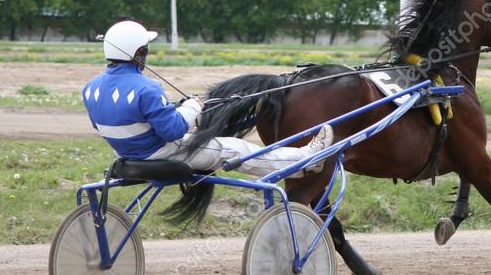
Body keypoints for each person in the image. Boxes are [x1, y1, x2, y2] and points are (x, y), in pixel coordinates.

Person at [82, 20, 332, 174]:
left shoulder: (90, 88)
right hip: (159, 153)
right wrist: (192, 107)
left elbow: (114, 121)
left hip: (125, 155)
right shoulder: (148, 88)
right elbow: (173, 131)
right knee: (235, 148)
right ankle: (305, 158)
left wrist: (172, 110)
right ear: (141, 52)